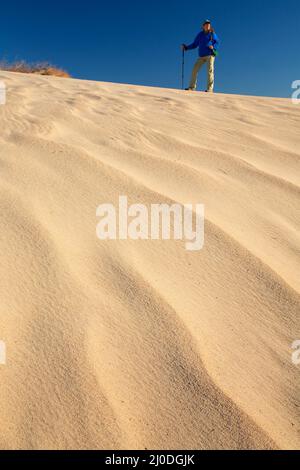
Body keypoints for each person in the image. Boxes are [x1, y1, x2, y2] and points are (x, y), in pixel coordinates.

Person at [182, 20, 220, 92]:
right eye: (206, 24)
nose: (208, 25)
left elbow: (217, 42)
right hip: (201, 56)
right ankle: (192, 87)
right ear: (203, 26)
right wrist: (186, 47)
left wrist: (213, 47)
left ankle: (210, 89)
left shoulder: (212, 34)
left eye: (209, 24)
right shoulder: (200, 35)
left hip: (210, 55)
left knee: (210, 70)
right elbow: (194, 44)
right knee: (194, 70)